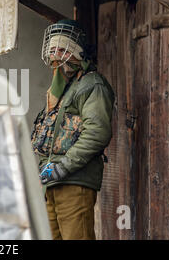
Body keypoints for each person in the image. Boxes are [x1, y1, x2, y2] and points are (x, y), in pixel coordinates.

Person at [31, 19, 114, 240]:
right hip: (52, 182)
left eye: (61, 49)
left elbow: (97, 133)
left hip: (74, 181)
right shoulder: (64, 88)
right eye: (53, 49)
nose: (55, 54)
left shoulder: (92, 85)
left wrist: (63, 167)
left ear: (75, 52)